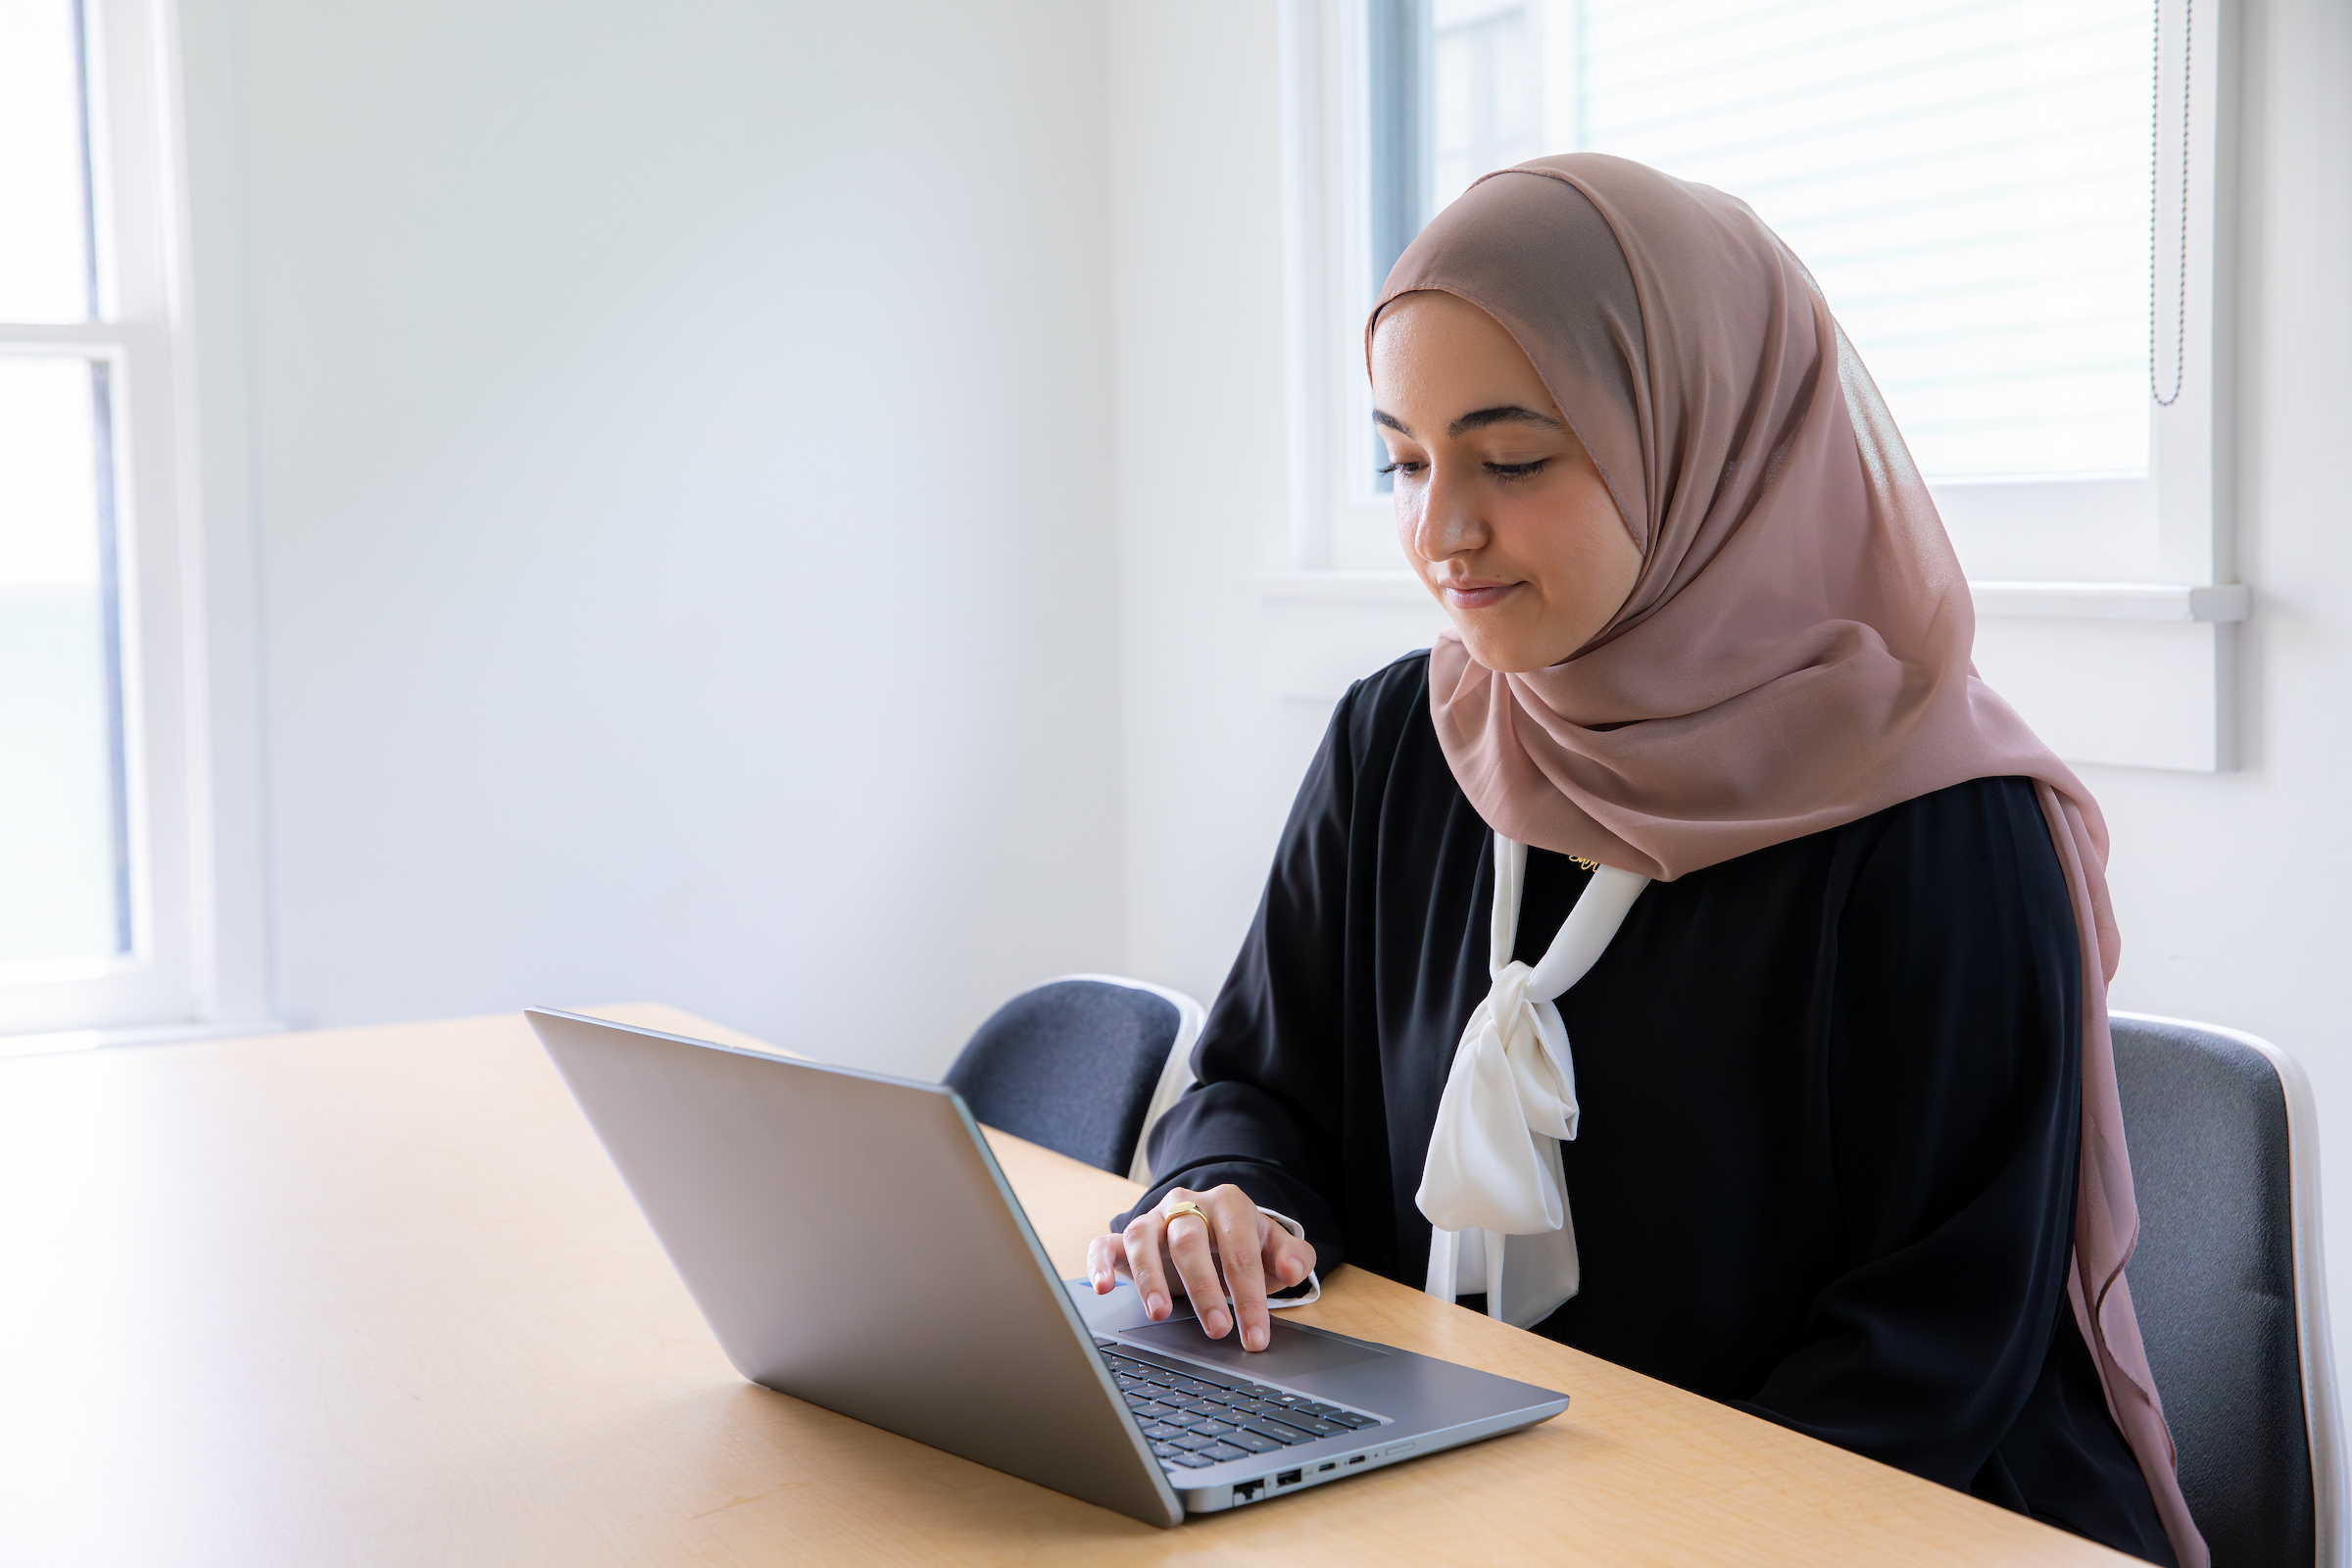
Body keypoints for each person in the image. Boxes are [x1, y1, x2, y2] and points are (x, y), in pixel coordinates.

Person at [1084, 154, 2206, 1567]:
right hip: (1475, 1496)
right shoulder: (1400, 741)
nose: (1441, 534)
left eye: (1513, 461)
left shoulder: (1936, 823)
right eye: (1405, 462)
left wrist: (1601, 1528)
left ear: (1704, 445)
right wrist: (1221, 1198)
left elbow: (1931, 1352)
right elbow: (1259, 1083)